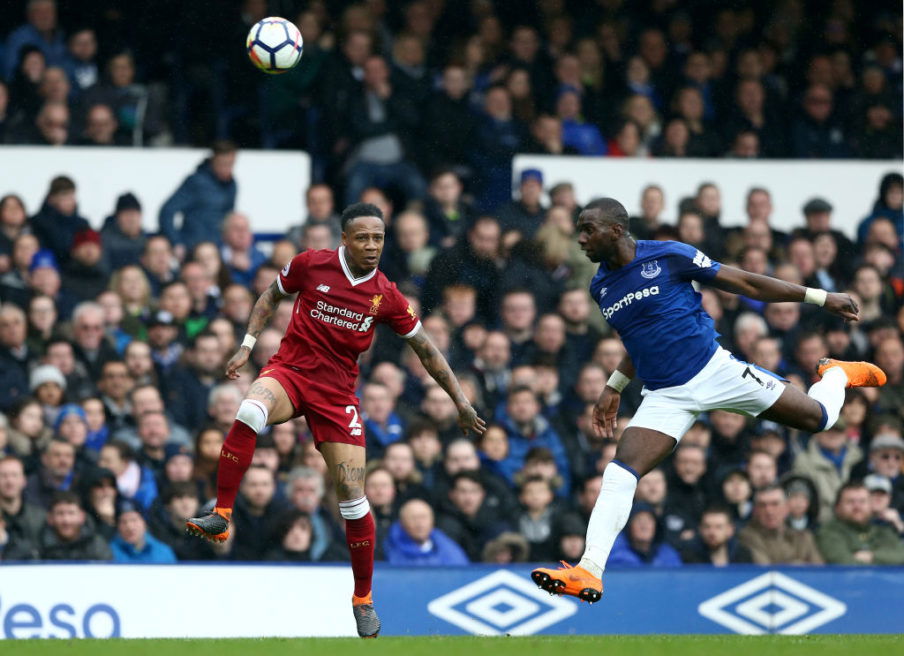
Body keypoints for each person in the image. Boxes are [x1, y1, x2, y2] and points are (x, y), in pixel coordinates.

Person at [532, 197, 884, 602]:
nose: (580, 239)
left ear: (615, 229)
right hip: (666, 394)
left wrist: (820, 298)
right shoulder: (600, 286)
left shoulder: (668, 255)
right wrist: (614, 385)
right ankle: (589, 570)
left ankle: (837, 373)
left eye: (588, 229)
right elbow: (638, 338)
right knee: (620, 471)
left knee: (819, 418)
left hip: (716, 372)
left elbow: (746, 282)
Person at [186, 202, 484, 638]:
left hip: (337, 394)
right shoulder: (311, 265)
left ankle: (362, 600)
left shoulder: (386, 293)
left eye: (378, 238)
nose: (371, 246)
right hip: (290, 372)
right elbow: (271, 294)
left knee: (352, 495)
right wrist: (248, 344)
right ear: (344, 239)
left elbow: (425, 348)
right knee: (250, 408)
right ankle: (223, 513)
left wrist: (460, 400)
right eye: (362, 237)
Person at [816, 482, 904, 565]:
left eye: (862, 501)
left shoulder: (882, 530)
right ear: (837, 507)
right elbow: (844, 563)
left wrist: (872, 556)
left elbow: (901, 555)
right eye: (850, 502)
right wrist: (884, 562)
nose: (857, 507)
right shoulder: (829, 531)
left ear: (870, 505)